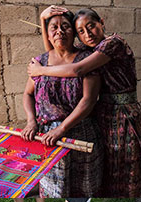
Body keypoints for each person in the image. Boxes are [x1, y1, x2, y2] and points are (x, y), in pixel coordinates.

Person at [27, 5, 141, 197]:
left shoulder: (112, 43)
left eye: (91, 26)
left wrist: (40, 71)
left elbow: (76, 70)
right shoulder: (88, 48)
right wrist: (43, 20)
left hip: (123, 112)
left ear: (102, 23)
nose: (88, 33)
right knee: (106, 165)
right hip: (103, 112)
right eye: (81, 31)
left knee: (125, 161)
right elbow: (57, 53)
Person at [22, 10, 103, 198]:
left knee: (80, 191)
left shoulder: (86, 59)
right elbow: (27, 93)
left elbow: (88, 100)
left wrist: (62, 128)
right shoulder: (40, 62)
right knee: (49, 186)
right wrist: (31, 121)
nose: (59, 31)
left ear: (73, 33)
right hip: (47, 136)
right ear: (48, 35)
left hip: (80, 132)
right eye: (54, 28)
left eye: (65, 26)